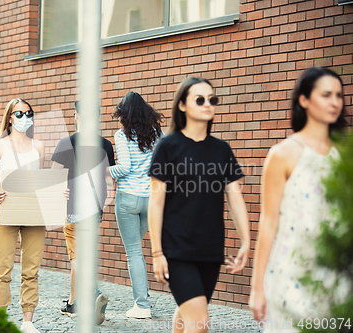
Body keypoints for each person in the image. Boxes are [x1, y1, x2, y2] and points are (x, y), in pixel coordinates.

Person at [148, 77, 250, 333]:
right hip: (176, 248)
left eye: (212, 99)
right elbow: (156, 201)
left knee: (187, 313)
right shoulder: (168, 147)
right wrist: (157, 252)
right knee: (200, 323)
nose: (208, 104)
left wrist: (246, 241)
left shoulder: (221, 150)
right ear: (182, 105)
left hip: (210, 248)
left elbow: (235, 196)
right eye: (200, 99)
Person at [249, 67, 346, 332]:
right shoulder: (283, 154)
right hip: (290, 274)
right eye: (326, 94)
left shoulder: (345, 154)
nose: (335, 101)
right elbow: (268, 222)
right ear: (304, 100)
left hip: (336, 275)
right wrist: (257, 288)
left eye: (339, 95)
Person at [0, 98, 46, 333]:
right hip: (6, 207)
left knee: (31, 269)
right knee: (3, 268)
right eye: (19, 114)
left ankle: (28, 322)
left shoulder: (38, 146)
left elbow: (41, 182)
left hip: (33, 209)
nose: (24, 118)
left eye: (28, 113)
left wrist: (58, 192)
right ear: (10, 117)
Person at [51, 101, 115, 324]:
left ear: (76, 115)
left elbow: (53, 178)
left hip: (74, 208)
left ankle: (93, 293)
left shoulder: (66, 143)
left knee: (76, 257)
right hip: (95, 209)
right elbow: (108, 179)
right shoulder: (106, 144)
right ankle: (73, 304)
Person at [108, 92, 164, 319]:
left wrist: (104, 170)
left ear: (124, 113)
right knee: (137, 249)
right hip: (151, 199)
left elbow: (125, 167)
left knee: (133, 251)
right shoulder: (158, 134)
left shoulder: (122, 135)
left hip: (129, 199)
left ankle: (141, 306)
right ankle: (143, 297)